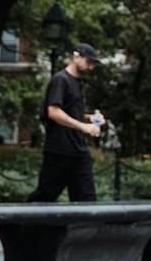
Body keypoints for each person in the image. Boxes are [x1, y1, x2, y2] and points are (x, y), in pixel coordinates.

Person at [30, 43, 105, 202]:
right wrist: (83, 126)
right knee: (45, 196)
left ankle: (83, 227)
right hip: (59, 151)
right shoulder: (60, 79)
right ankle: (14, 224)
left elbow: (70, 112)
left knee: (86, 199)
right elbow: (54, 112)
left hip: (79, 151)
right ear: (76, 56)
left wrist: (89, 118)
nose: (91, 67)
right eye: (89, 62)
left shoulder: (77, 82)